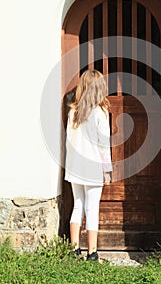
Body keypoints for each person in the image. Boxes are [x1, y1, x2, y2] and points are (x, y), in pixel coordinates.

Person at [64, 69, 112, 261]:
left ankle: (74, 250)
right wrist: (107, 169)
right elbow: (104, 144)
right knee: (92, 209)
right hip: (92, 168)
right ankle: (92, 252)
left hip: (75, 167)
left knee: (78, 205)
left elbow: (69, 140)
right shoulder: (100, 113)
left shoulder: (73, 113)